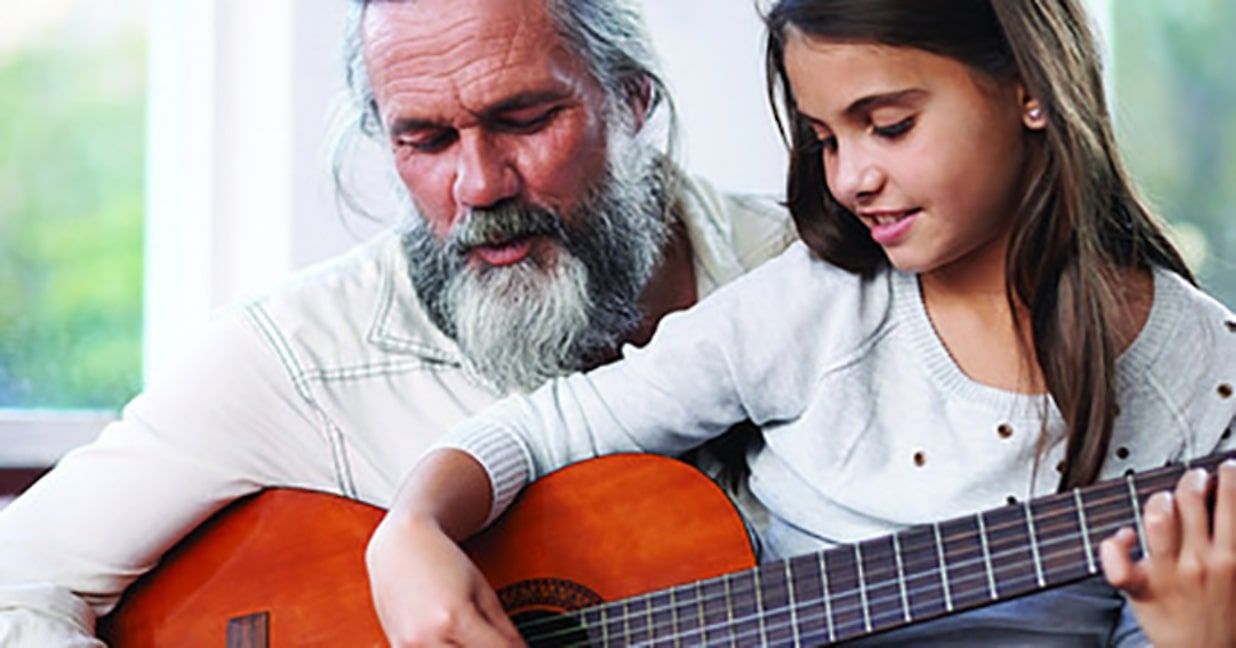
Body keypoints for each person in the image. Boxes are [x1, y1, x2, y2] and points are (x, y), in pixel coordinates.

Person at [367, 0, 1236, 645]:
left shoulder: (1201, 378)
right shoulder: (813, 306)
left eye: (888, 126)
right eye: (825, 138)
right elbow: (544, 428)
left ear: (1030, 93)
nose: (851, 177)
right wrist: (410, 533)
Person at [0, 0, 796, 644]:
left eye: (524, 119)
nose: (479, 185)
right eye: (426, 139)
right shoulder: (301, 357)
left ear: (631, 97)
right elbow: (14, 582)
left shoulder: (817, 277)